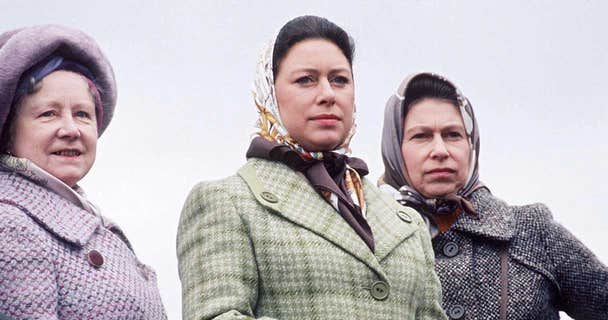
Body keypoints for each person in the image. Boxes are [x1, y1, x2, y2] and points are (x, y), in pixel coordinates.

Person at [177, 16, 447, 320]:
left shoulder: (406, 221)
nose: (328, 94)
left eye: (339, 80)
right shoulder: (228, 202)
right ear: (271, 91)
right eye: (306, 80)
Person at [0, 25, 167, 319]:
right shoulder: (2, 224)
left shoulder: (95, 227)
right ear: (6, 130)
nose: (71, 130)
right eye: (48, 114)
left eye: (82, 115)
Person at [380, 72, 608, 320]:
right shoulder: (373, 239)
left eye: (453, 134)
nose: (440, 150)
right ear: (394, 148)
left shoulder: (532, 231)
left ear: (471, 144)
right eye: (421, 136)